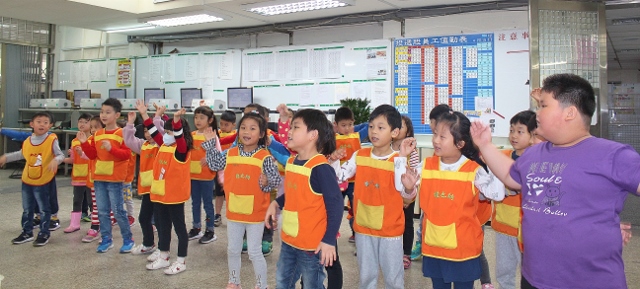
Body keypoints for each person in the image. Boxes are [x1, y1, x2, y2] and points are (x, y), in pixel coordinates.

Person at [472, 74, 640, 289]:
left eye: (543, 106)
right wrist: (485, 145)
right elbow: (510, 177)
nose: (537, 113)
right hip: (535, 279)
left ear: (570, 112)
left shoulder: (613, 155)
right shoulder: (535, 153)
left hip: (591, 282)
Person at [398, 110, 503, 289]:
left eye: (442, 136)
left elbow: (497, 194)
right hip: (434, 247)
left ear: (460, 143)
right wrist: (403, 163)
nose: (435, 140)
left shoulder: (473, 170)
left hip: (464, 250)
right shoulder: (426, 166)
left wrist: (491, 158)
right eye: (435, 134)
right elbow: (405, 196)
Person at [333, 104, 414, 289]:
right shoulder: (359, 155)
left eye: (380, 127)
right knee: (366, 277)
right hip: (363, 227)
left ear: (394, 132)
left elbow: (404, 191)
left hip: (390, 231)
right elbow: (340, 177)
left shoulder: (398, 159)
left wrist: (403, 160)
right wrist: (334, 160)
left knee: (393, 278)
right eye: (371, 126)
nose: (373, 131)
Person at [265, 108, 343, 289]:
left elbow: (336, 206)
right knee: (283, 281)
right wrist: (276, 203)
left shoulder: (321, 168)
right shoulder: (291, 162)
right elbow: (293, 194)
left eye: (296, 127)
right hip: (290, 240)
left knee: (312, 284)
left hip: (312, 246)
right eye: (290, 127)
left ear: (312, 135)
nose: (289, 132)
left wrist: (329, 240)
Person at [204, 112, 281, 289]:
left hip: (255, 215)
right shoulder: (230, 153)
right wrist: (210, 146)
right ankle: (234, 282)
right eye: (243, 128)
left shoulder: (265, 157)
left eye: (253, 128)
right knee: (233, 250)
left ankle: (261, 285)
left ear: (261, 134)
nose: (247, 132)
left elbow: (276, 181)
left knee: (254, 252)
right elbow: (215, 164)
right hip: (234, 212)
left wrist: (267, 182)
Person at [77, 98, 135, 253]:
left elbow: (126, 155)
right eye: (102, 112)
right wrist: (83, 143)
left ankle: (128, 239)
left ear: (117, 115)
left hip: (115, 179)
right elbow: (92, 155)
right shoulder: (98, 134)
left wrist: (111, 149)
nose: (103, 115)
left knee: (118, 210)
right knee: (102, 210)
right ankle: (106, 239)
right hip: (99, 178)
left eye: (108, 112)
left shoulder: (121, 133)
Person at [487, 110, 535, 289]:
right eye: (512, 130)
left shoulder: (535, 160)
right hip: (503, 226)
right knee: (503, 270)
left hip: (526, 229)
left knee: (528, 271)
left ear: (533, 136)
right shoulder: (503, 156)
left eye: (520, 131)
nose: (514, 135)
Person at [1, 112, 65, 246]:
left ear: (50, 125)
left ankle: (44, 233)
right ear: (32, 124)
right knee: (27, 208)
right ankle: (27, 232)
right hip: (28, 180)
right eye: (39, 121)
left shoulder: (51, 139)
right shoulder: (28, 141)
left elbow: (60, 155)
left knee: (44, 209)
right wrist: (6, 157)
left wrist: (56, 161)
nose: (42, 124)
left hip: (43, 180)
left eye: (45, 122)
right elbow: (21, 154)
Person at [144, 108, 193, 275]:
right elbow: (153, 131)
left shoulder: (181, 150)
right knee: (163, 226)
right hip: (159, 194)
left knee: (179, 228)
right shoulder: (163, 145)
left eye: (170, 131)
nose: (166, 134)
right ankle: (164, 256)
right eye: (166, 130)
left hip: (174, 196)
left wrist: (177, 120)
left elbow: (179, 136)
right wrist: (145, 115)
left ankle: (181, 261)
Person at [409, 103, 451, 261]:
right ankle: (422, 242)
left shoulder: (452, 146)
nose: (430, 124)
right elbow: (424, 167)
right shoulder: (437, 147)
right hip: (432, 193)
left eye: (431, 121)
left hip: (446, 195)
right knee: (425, 218)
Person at [124, 101, 166, 255]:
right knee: (144, 218)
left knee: (160, 221)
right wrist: (130, 124)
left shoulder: (162, 145)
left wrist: (156, 117)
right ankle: (148, 244)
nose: (149, 134)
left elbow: (159, 132)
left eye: (151, 131)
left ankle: (163, 248)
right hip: (148, 190)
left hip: (159, 189)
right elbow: (129, 141)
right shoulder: (143, 145)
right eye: (146, 131)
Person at [331, 106, 369, 243]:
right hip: (337, 182)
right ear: (336, 125)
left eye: (350, 124)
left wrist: (356, 127)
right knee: (335, 208)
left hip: (355, 181)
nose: (347, 128)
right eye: (343, 125)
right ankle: (332, 232)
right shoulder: (332, 138)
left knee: (356, 208)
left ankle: (356, 234)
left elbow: (369, 124)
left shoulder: (357, 136)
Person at [184, 106, 221, 244]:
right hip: (193, 176)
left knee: (207, 204)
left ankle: (210, 230)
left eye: (202, 118)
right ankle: (196, 227)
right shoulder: (192, 135)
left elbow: (218, 153)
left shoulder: (212, 136)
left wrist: (209, 158)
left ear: (210, 120)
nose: (198, 120)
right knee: (195, 203)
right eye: (196, 117)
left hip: (206, 177)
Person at [391, 115, 420, 270]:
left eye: (400, 126)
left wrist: (408, 192)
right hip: (390, 194)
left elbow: (414, 173)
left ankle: (406, 253)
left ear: (408, 131)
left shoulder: (412, 152)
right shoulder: (386, 148)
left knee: (407, 223)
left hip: (407, 193)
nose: (397, 128)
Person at [62, 113, 93, 233]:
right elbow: (73, 160)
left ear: (91, 125)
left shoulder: (93, 139)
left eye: (86, 122)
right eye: (80, 122)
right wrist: (60, 159)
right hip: (78, 177)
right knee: (77, 200)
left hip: (90, 177)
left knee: (92, 202)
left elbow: (94, 157)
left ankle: (97, 225)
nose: (82, 124)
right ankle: (74, 224)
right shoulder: (74, 141)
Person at [214, 110, 237, 227]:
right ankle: (217, 215)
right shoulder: (216, 134)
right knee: (219, 194)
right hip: (219, 170)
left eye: (226, 125)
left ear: (234, 124)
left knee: (230, 194)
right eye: (221, 124)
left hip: (232, 170)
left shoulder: (236, 136)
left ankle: (232, 214)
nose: (223, 127)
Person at [117, 119, 137, 227]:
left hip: (127, 178)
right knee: (118, 198)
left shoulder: (130, 145)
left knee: (127, 198)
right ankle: (119, 216)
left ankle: (130, 216)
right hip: (117, 177)